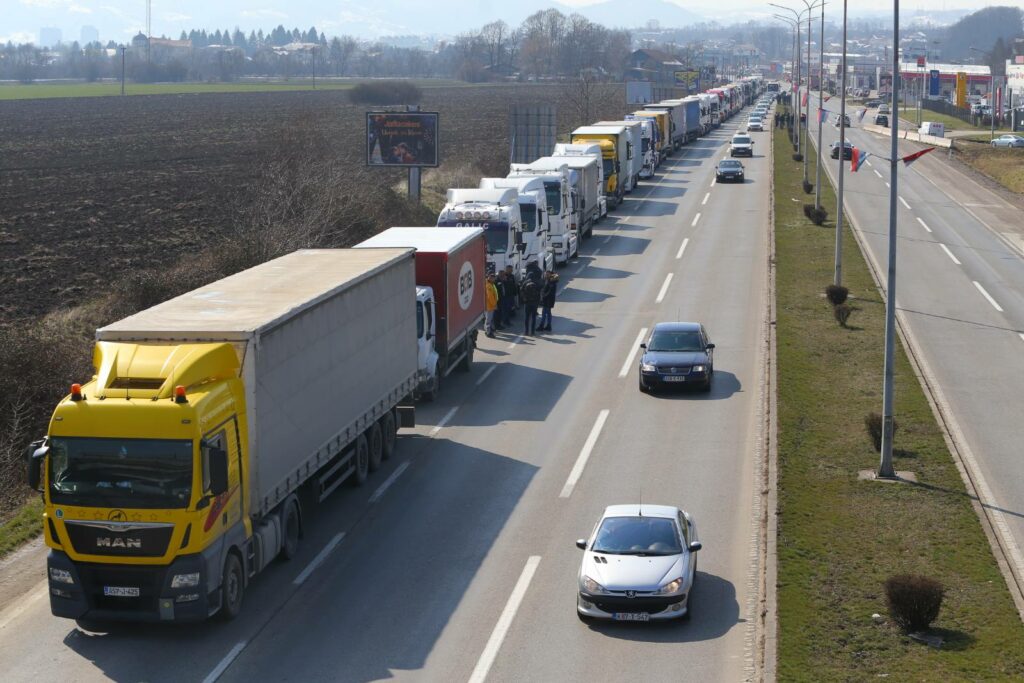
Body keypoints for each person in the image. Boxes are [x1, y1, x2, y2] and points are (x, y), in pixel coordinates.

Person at [520, 271, 541, 336]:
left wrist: (524, 299)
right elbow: (539, 292)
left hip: (527, 303)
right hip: (534, 303)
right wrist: (538, 301)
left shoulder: (525, 282)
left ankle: (526, 332)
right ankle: (532, 332)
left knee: (527, 317)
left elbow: (521, 291)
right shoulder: (536, 282)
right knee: (533, 318)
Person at [484, 273, 498, 337]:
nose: (494, 279)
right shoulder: (488, 285)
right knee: (488, 320)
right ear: (489, 278)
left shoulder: (491, 284)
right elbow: (490, 297)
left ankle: (487, 331)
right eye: (493, 278)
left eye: (494, 277)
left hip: (490, 305)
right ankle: (488, 332)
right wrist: (494, 304)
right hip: (489, 305)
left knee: (488, 319)